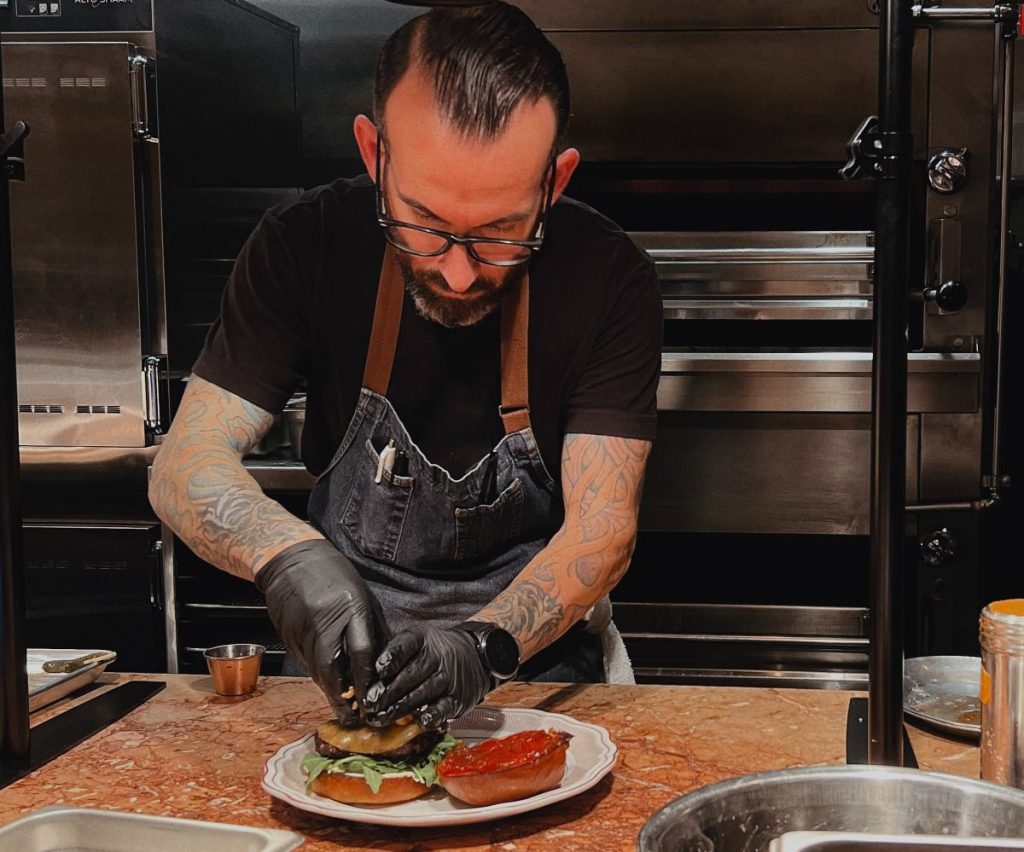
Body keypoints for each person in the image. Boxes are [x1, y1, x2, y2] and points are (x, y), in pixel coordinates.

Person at [149, 2, 661, 729]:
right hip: (346, 683)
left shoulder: (610, 278)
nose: (456, 273)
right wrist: (291, 560)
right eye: (422, 224)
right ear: (373, 153)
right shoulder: (305, 246)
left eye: (500, 233)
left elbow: (602, 531)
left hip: (528, 680)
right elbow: (182, 466)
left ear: (554, 182)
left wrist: (482, 647)